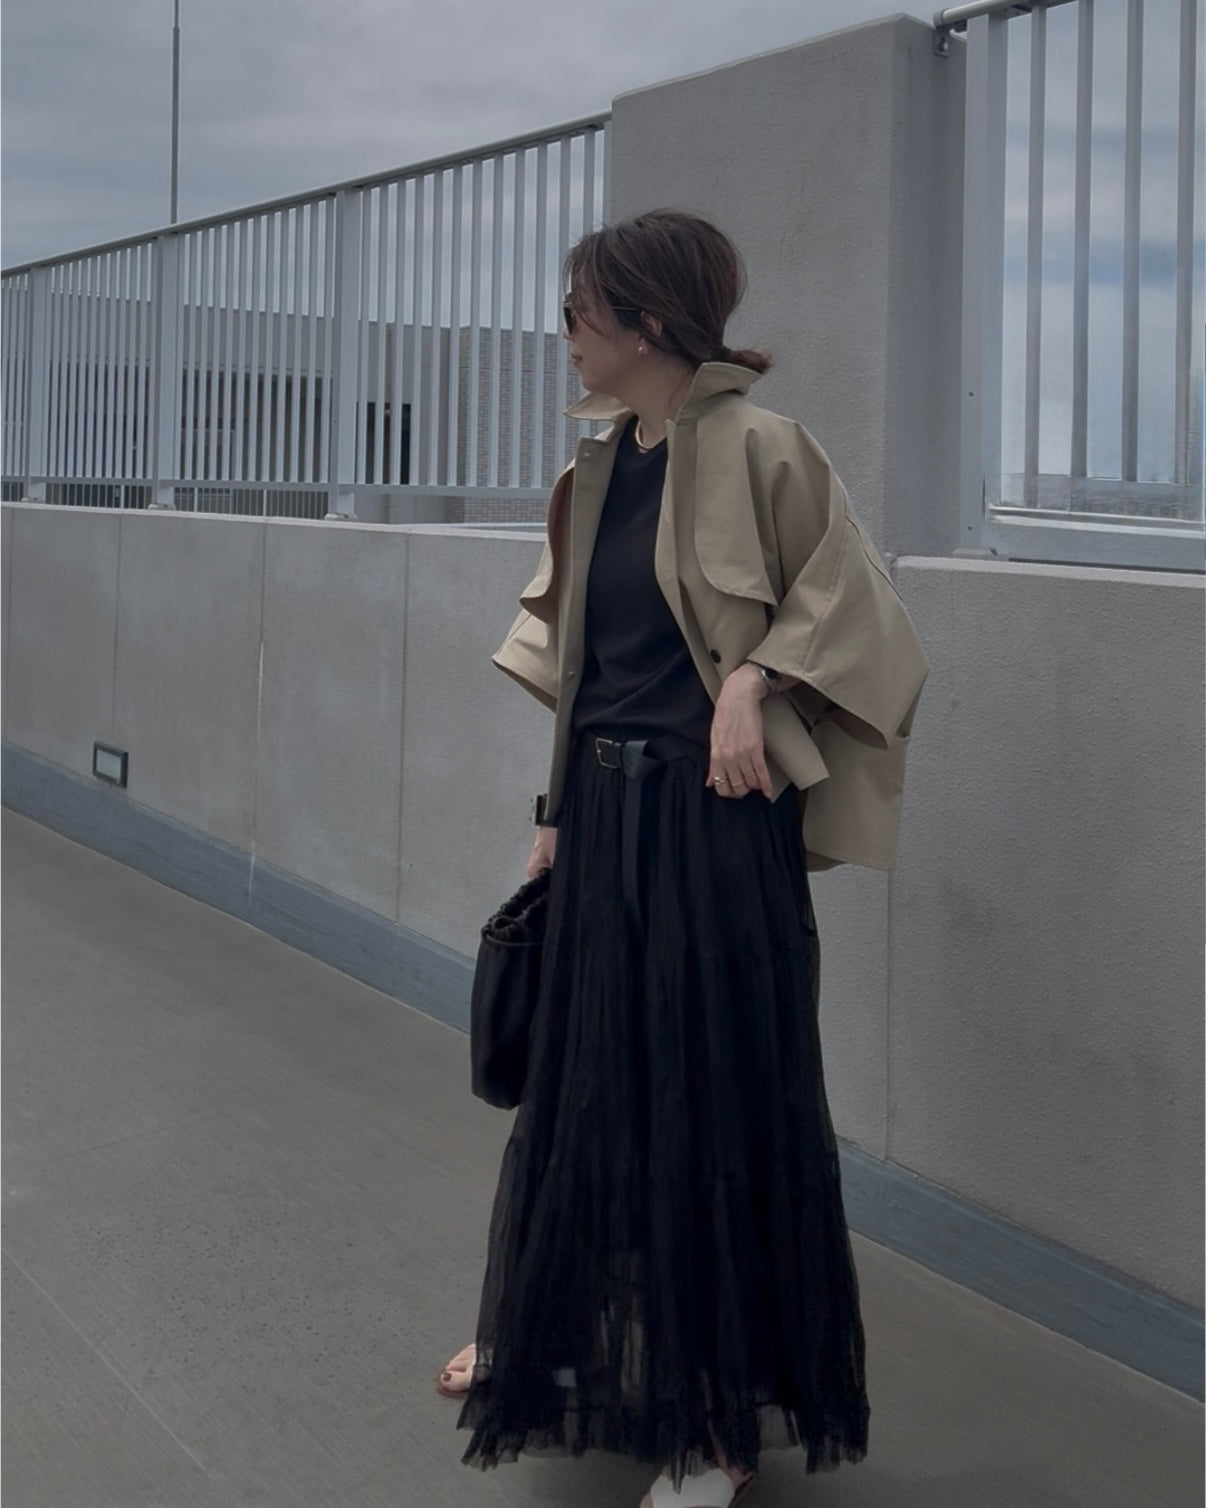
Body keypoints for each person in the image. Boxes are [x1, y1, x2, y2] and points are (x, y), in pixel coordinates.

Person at [437, 209, 928, 1507]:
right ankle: (549, 1338)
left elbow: (866, 615)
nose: (564, 332)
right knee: (588, 1091)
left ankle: (713, 1429)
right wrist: (555, 817)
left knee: (710, 1103)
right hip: (603, 828)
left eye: (579, 311)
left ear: (647, 323)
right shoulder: (597, 468)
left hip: (713, 834)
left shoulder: (767, 449)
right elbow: (586, 670)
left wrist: (755, 677)